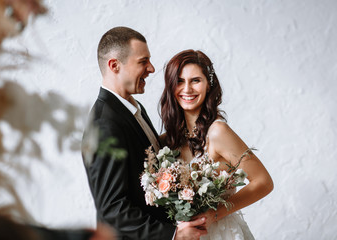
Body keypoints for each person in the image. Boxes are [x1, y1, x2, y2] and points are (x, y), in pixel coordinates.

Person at [82, 27, 207, 240]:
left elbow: (144, 153)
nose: (151, 68)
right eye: (143, 61)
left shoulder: (133, 107)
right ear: (114, 65)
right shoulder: (104, 125)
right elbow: (112, 210)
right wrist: (173, 235)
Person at [159, 49, 274, 239]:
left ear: (208, 85)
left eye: (195, 80)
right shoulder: (167, 141)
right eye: (179, 81)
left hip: (220, 232)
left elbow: (264, 182)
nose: (187, 89)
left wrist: (214, 214)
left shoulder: (218, 132)